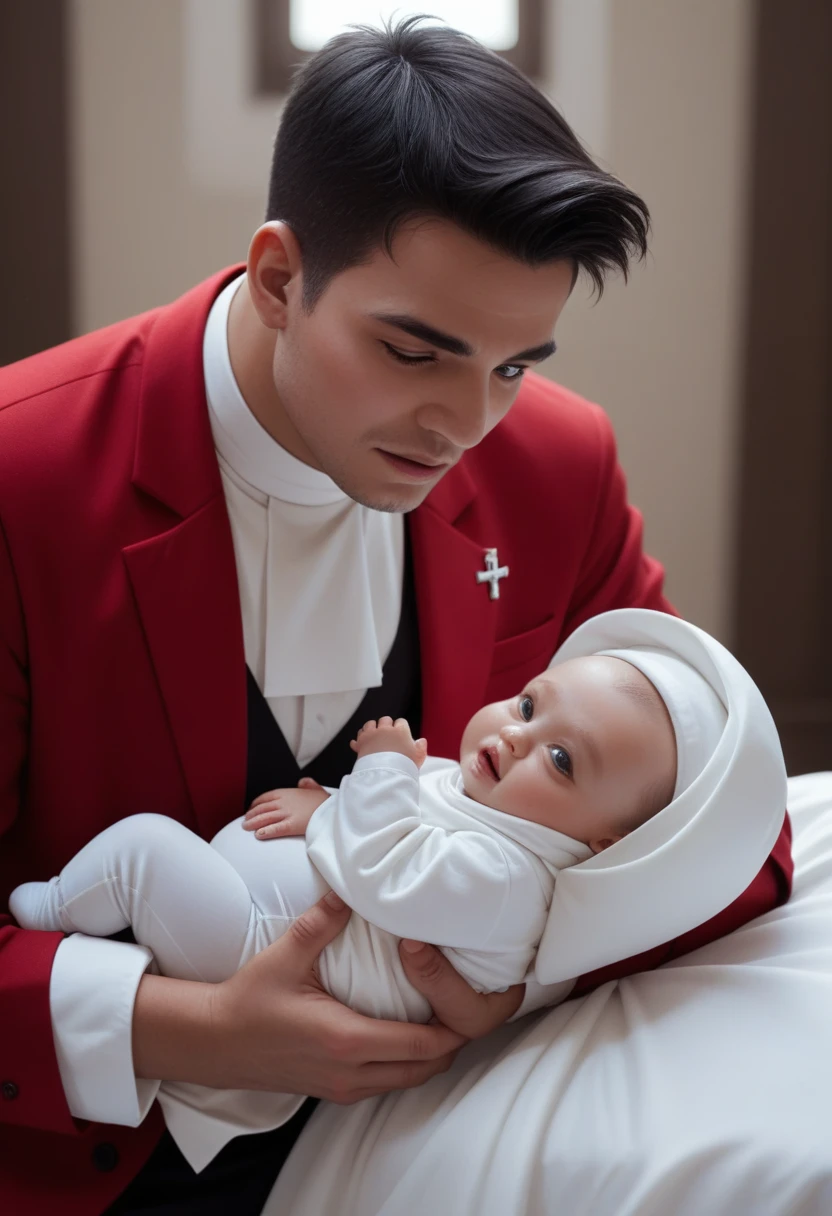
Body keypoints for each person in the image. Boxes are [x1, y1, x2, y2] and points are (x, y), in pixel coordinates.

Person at [0, 17, 793, 1216]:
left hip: (439, 1134)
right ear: (279, 277)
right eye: (415, 351)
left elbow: (727, 830)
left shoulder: (557, 464)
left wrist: (508, 981)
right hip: (101, 1157)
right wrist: (189, 1030)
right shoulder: (23, 477)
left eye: (513, 363)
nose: (467, 425)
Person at [9, 605, 787, 1181]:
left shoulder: (510, 878)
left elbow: (384, 863)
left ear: (607, 846)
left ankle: (42, 912)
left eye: (559, 759)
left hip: (256, 949)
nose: (513, 736)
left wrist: (379, 767)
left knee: (143, 850)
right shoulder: (493, 809)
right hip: (242, 955)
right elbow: (401, 826)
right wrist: (329, 809)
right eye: (527, 703)